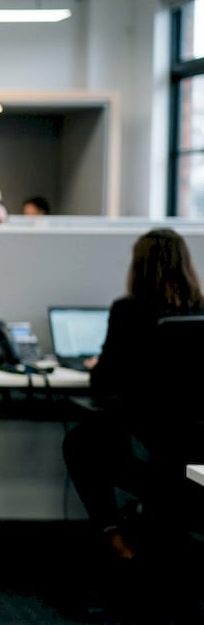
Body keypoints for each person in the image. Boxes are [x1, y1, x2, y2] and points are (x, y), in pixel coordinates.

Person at [62, 228, 204, 562]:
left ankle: (113, 533)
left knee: (80, 442)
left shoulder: (129, 310)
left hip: (150, 442)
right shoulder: (201, 310)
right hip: (196, 448)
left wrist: (97, 364)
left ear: (138, 265)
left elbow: (103, 382)